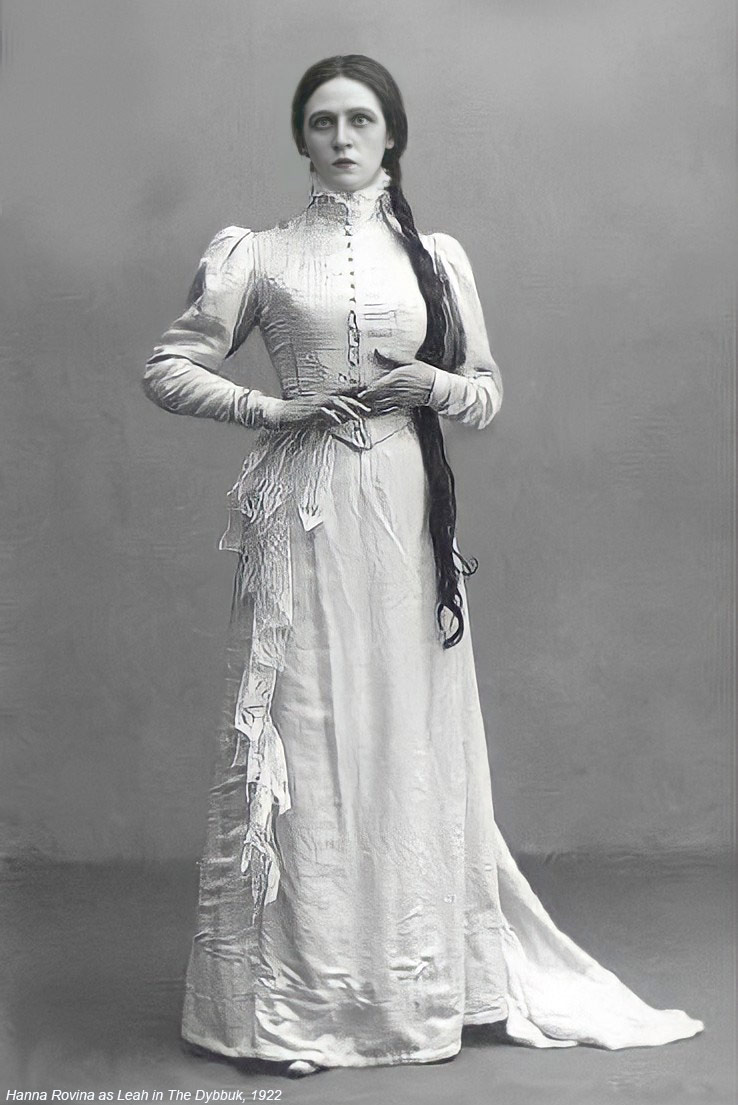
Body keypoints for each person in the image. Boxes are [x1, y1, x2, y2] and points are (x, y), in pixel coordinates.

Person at [142, 54, 704, 1076]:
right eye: (323, 122)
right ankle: (290, 1008)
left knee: (406, 735)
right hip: (305, 510)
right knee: (306, 731)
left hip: (404, 514)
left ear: (392, 134)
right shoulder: (259, 252)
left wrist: (431, 384)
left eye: (361, 119)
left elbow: (485, 391)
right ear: (301, 137)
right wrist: (275, 407)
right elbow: (168, 366)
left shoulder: (436, 258)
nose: (342, 138)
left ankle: (414, 987)